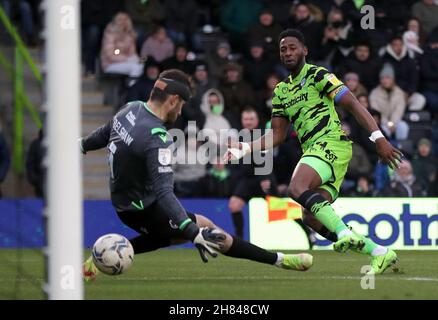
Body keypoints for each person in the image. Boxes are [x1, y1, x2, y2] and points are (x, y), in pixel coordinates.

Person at [80, 69, 313, 281]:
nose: (180, 111)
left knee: (171, 236)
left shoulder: (131, 108)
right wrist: (194, 233)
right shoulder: (156, 137)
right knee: (210, 232)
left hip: (125, 203)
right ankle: (281, 260)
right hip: (144, 209)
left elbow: (104, 132)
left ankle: (103, 255)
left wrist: (81, 145)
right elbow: (164, 192)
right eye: (180, 105)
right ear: (173, 100)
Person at [224, 29, 403, 275]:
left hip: (332, 143)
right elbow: (277, 134)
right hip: (317, 151)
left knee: (296, 188)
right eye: (283, 49)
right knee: (310, 217)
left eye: (292, 47)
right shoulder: (281, 92)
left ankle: (343, 233)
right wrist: (246, 147)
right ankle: (380, 252)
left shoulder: (319, 75)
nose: (287, 52)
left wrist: (379, 138)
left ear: (305, 50)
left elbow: (353, 104)